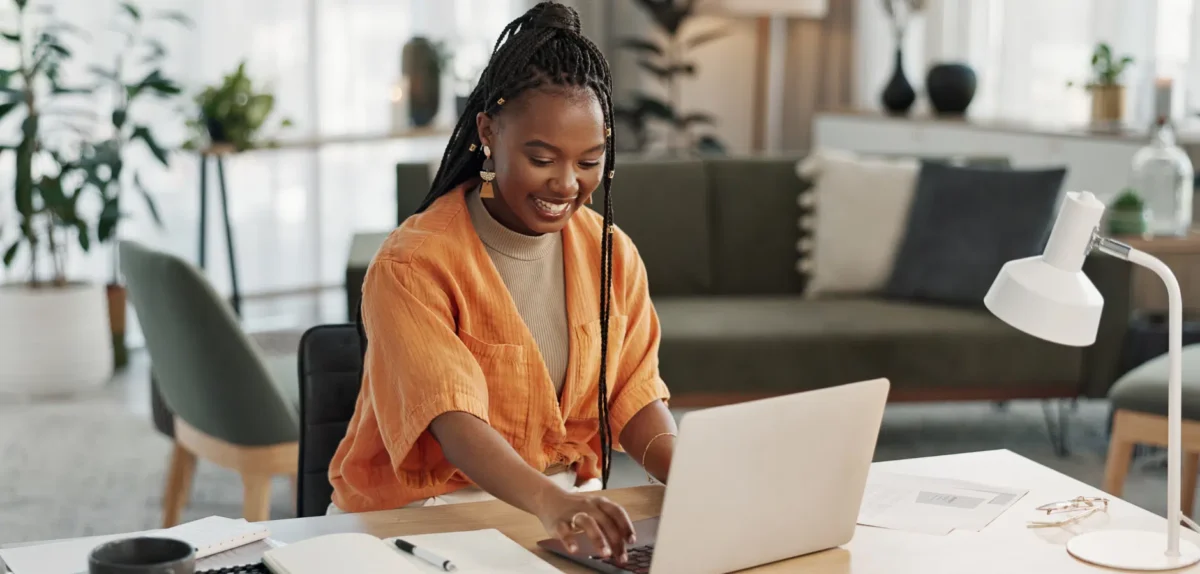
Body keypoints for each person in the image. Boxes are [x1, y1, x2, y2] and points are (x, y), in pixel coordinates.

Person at [326, 1, 678, 564]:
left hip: (558, 510)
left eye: (589, 161)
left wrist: (689, 473)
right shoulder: (412, 265)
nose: (567, 184)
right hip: (424, 518)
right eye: (542, 158)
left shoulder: (611, 252)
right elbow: (453, 420)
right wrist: (550, 503)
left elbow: (631, 395)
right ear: (488, 131)